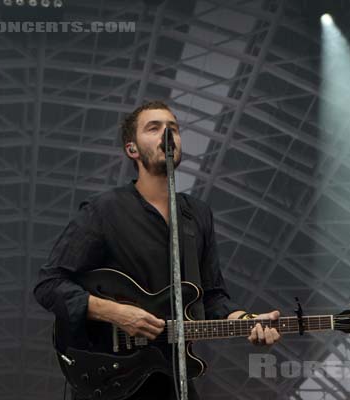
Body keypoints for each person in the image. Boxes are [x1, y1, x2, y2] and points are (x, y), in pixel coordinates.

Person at [33, 100, 281, 400]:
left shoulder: (197, 214)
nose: (168, 134)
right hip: (111, 379)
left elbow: (212, 296)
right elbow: (49, 285)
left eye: (173, 128)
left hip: (172, 379)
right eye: (154, 128)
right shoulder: (103, 210)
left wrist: (246, 322)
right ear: (132, 150)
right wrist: (116, 313)